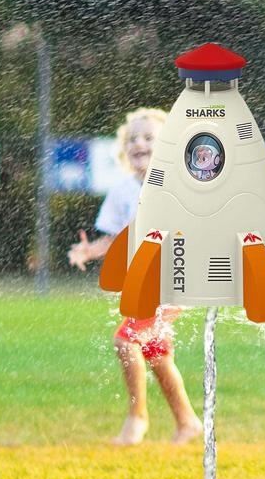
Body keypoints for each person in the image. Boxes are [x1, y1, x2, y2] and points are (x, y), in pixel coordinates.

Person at [68, 108, 203, 446]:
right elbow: (114, 239)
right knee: (157, 355)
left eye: (148, 138)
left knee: (125, 341)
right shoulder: (123, 191)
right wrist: (88, 251)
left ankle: (137, 418)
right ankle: (187, 421)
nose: (139, 143)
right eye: (132, 139)